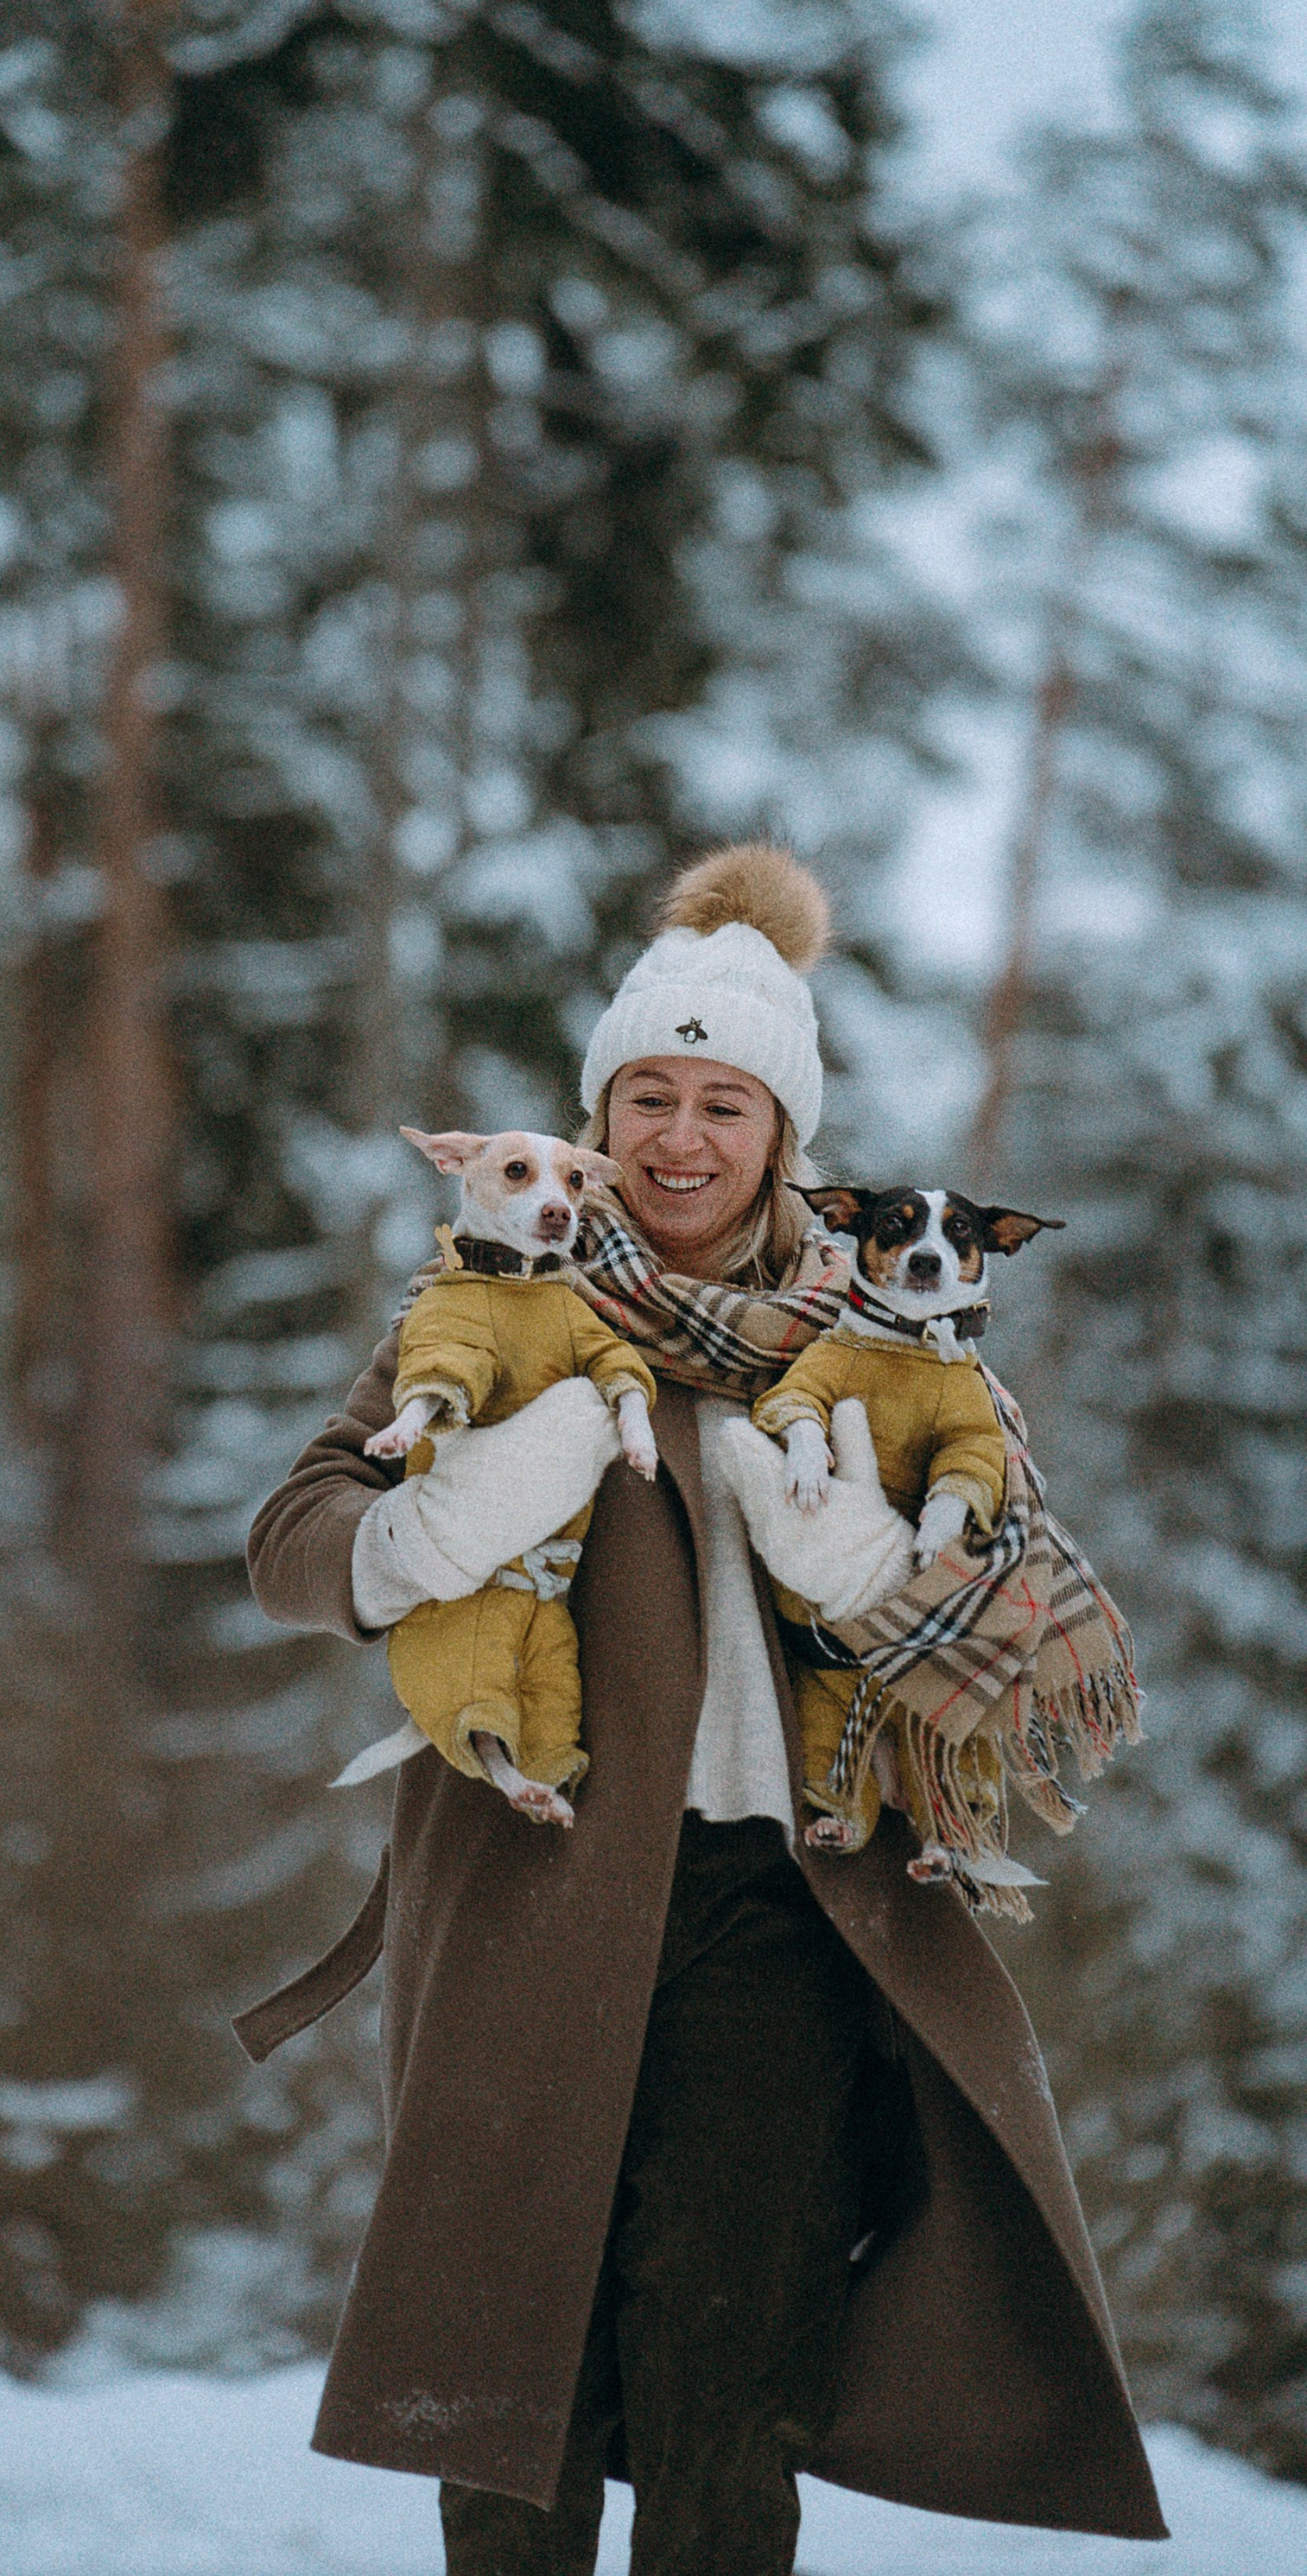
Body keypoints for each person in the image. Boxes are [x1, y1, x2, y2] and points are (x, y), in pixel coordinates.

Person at [240, 845, 1165, 2576]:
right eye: (643, 1096)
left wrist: (868, 1566)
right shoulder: (499, 1302)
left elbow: (1020, 1621)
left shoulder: (906, 1332)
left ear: (780, 1134)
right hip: (531, 1887)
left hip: (786, 1914)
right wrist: (445, 1515)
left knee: (729, 2403)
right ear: (592, 1123)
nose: (677, 1138)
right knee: (518, 2401)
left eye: (721, 1103)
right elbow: (292, 1546)